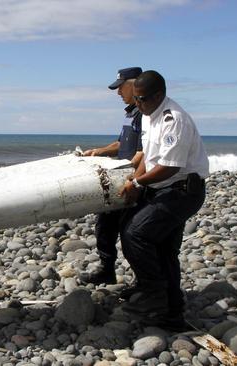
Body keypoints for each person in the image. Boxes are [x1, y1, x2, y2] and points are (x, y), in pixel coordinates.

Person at [119, 70, 209, 329]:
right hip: (163, 188)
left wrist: (136, 183)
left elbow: (169, 166)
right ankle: (172, 313)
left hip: (182, 191)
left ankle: (153, 294)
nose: (137, 104)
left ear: (159, 95)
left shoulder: (174, 120)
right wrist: (135, 182)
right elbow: (148, 155)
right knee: (163, 249)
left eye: (143, 99)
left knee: (136, 234)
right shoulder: (148, 114)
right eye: (135, 99)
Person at [80, 67, 144, 285]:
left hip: (133, 180)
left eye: (121, 88)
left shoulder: (144, 114)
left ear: (135, 85)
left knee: (131, 233)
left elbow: (143, 152)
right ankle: (107, 269)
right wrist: (98, 151)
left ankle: (142, 280)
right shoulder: (130, 113)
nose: (118, 93)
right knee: (104, 225)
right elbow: (121, 144)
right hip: (121, 177)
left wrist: (130, 178)